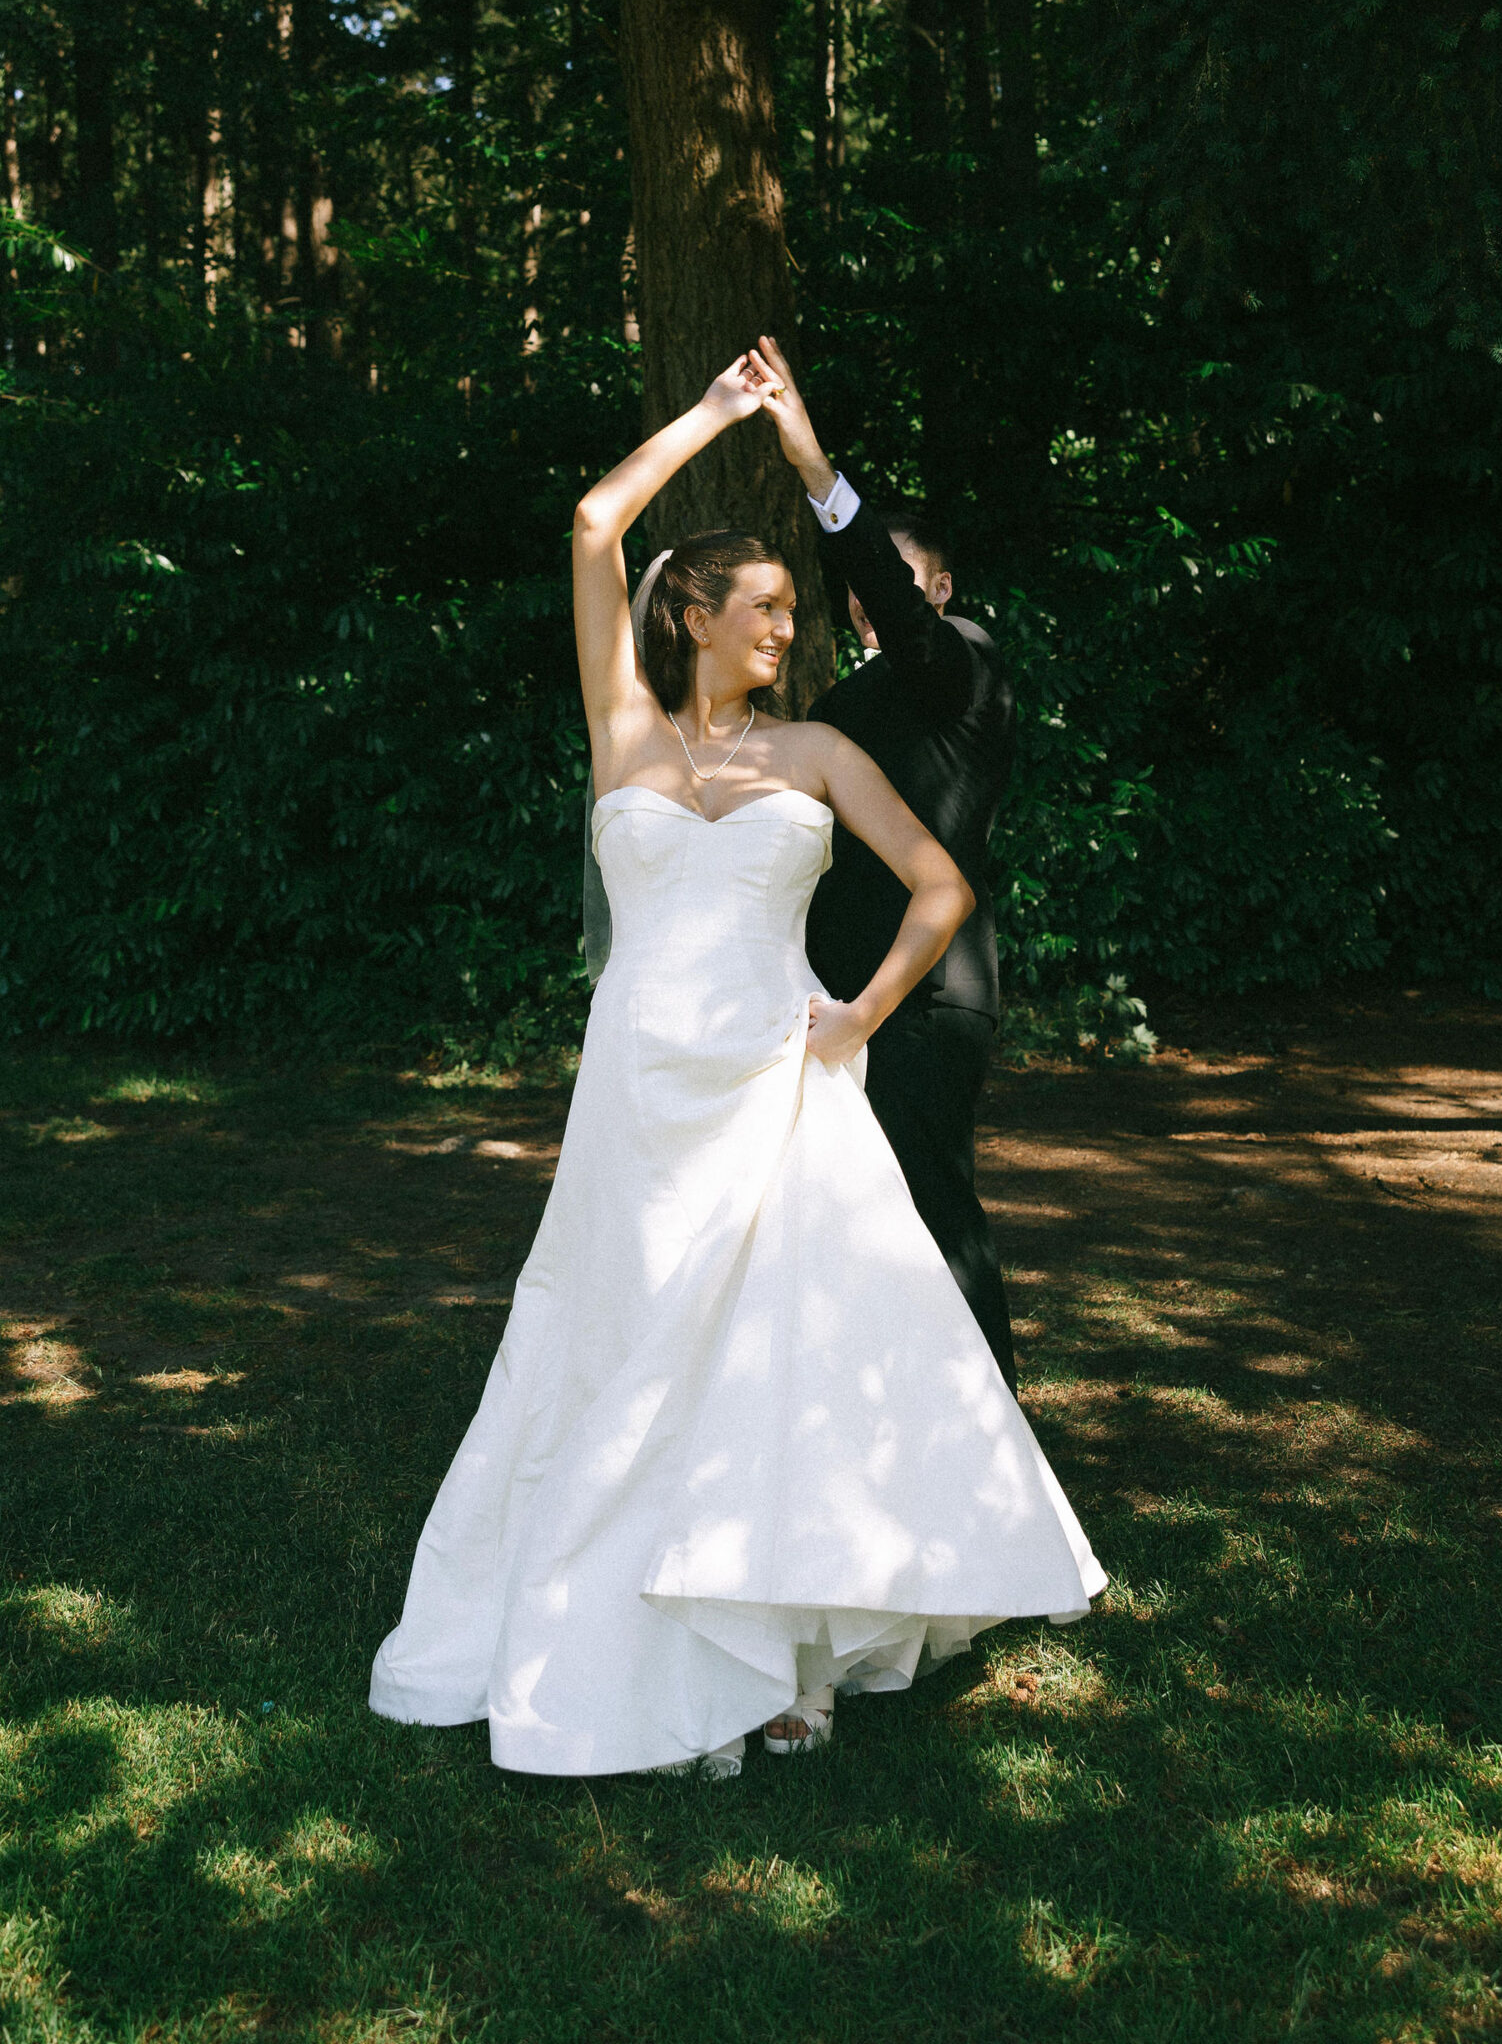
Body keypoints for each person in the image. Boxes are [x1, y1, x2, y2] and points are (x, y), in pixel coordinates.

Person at [369, 353, 1104, 1778]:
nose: (787, 626)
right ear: (689, 615)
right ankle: (598, 1602)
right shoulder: (622, 737)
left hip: (776, 1081)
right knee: (619, 1332)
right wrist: (713, 421)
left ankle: (783, 1654)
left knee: (776, 1360)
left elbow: (938, 886)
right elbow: (594, 526)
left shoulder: (821, 748)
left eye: (789, 605)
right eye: (763, 607)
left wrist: (858, 1015)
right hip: (637, 1094)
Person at [756, 335, 1020, 1390]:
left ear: (941, 586)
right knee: (856, 1218)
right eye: (868, 588)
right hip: (833, 992)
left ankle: (994, 1434)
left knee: (932, 1205)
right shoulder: (838, 704)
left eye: (899, 582)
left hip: (923, 995)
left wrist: (816, 470)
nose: (875, 599)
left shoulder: (964, 664)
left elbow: (903, 617)